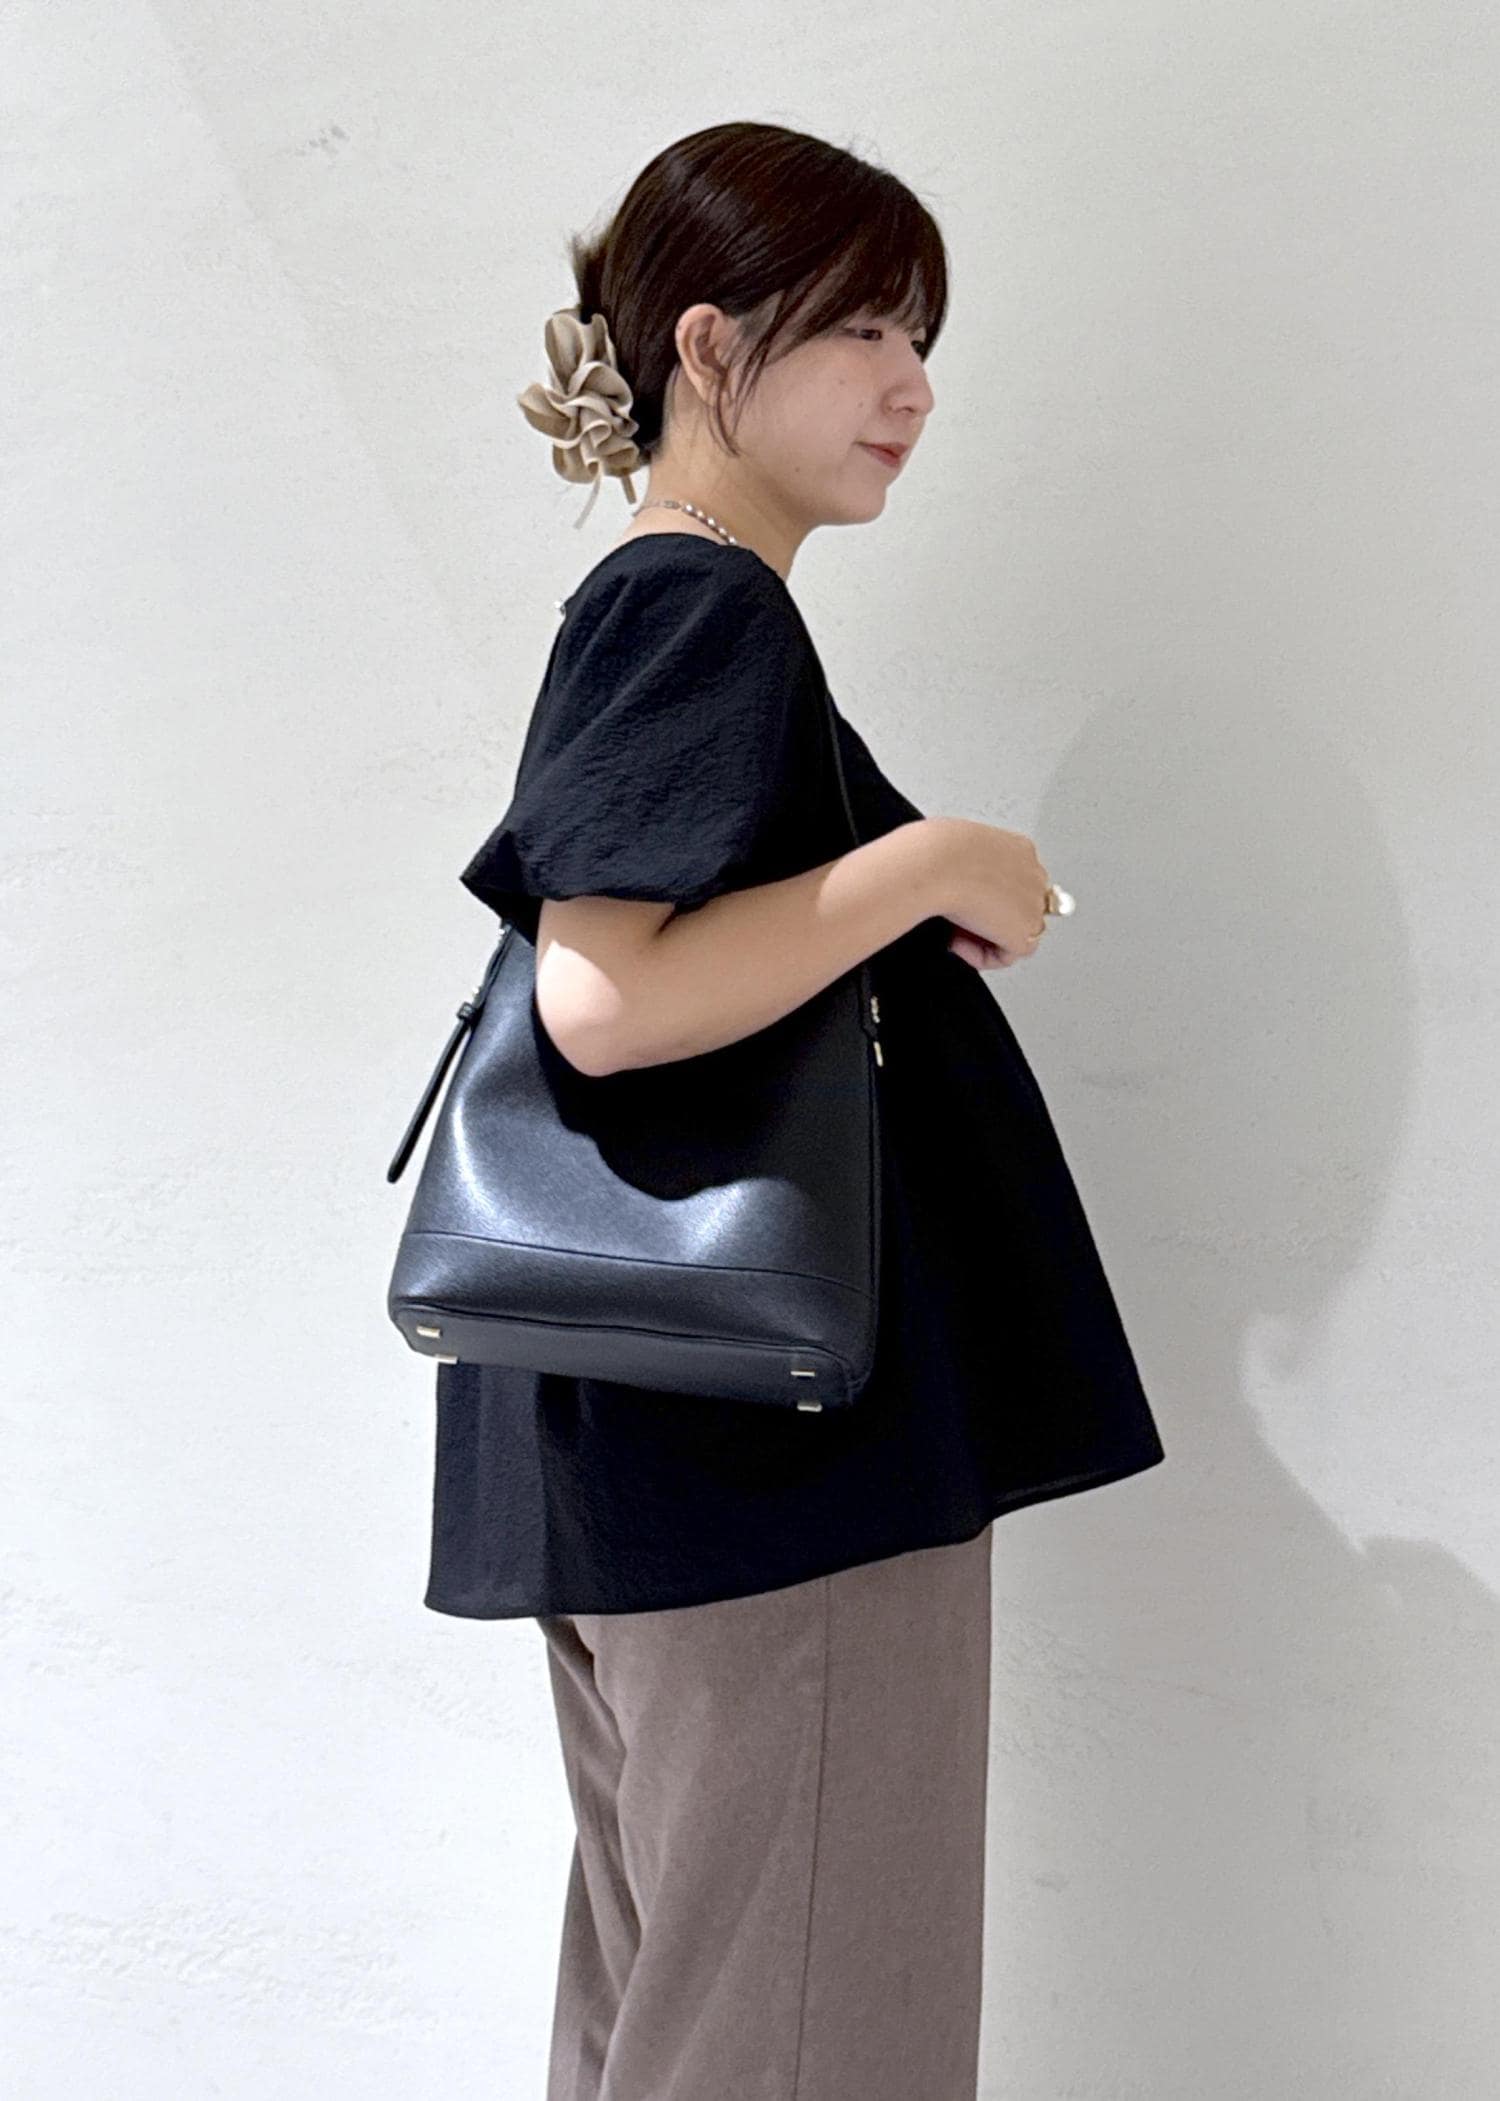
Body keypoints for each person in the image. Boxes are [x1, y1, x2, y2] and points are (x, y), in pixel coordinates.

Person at [426, 120, 1167, 2101]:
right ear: (708, 348)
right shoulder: (703, 604)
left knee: (676, 2032)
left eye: (924, 338)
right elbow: (603, 996)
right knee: (816, 2048)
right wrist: (924, 866)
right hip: (780, 1474)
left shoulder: (658, 601)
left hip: (663, 1459)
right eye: (862, 331)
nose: (913, 385)